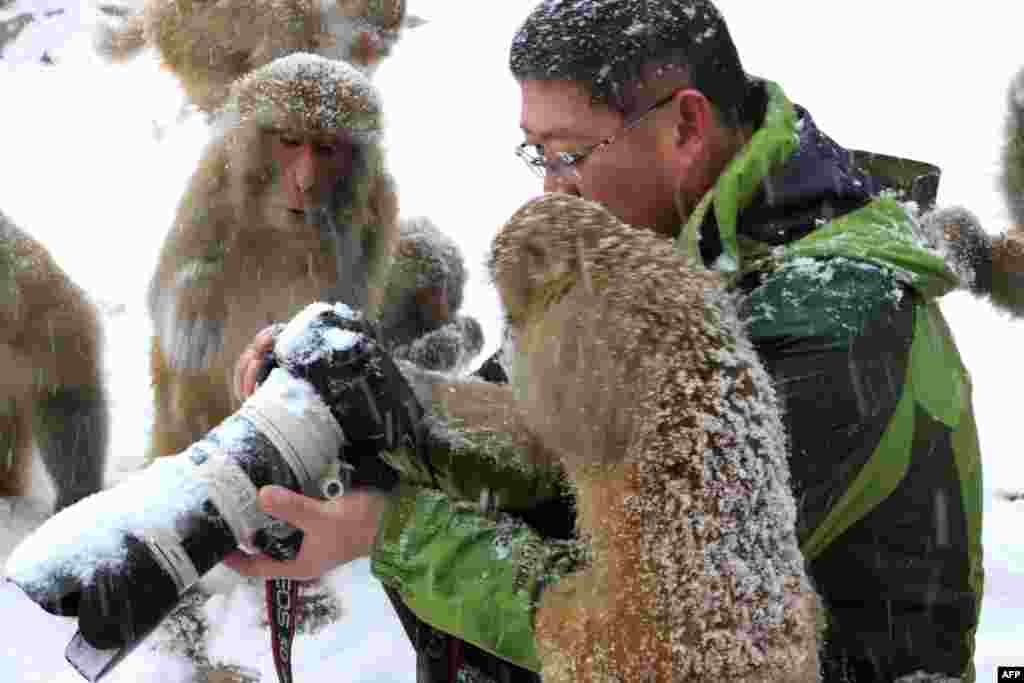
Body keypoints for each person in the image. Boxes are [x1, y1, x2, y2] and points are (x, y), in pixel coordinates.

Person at [226, 1, 985, 681]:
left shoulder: (834, 328)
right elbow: (534, 422)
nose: (552, 189)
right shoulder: (638, 237)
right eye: (536, 153)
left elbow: (652, 635)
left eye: (570, 153)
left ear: (686, 125)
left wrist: (390, 529)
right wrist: (377, 394)